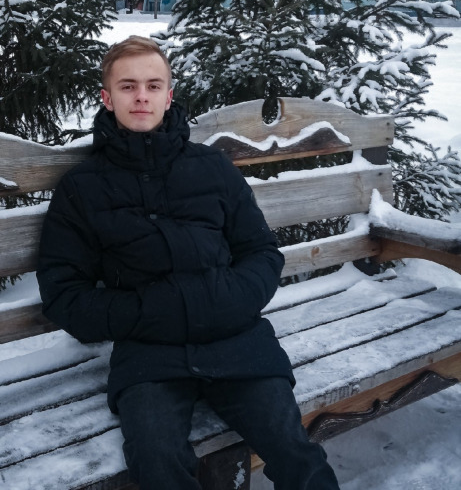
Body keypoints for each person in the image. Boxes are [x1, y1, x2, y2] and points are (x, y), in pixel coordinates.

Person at [37, 35, 340, 490]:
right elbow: (64, 295)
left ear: (169, 95)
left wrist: (226, 301)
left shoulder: (213, 167)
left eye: (153, 85)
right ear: (107, 97)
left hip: (237, 342)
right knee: (155, 459)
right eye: (128, 86)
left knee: (293, 449)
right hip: (149, 355)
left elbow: (261, 252)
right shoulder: (82, 188)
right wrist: (148, 313)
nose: (141, 96)